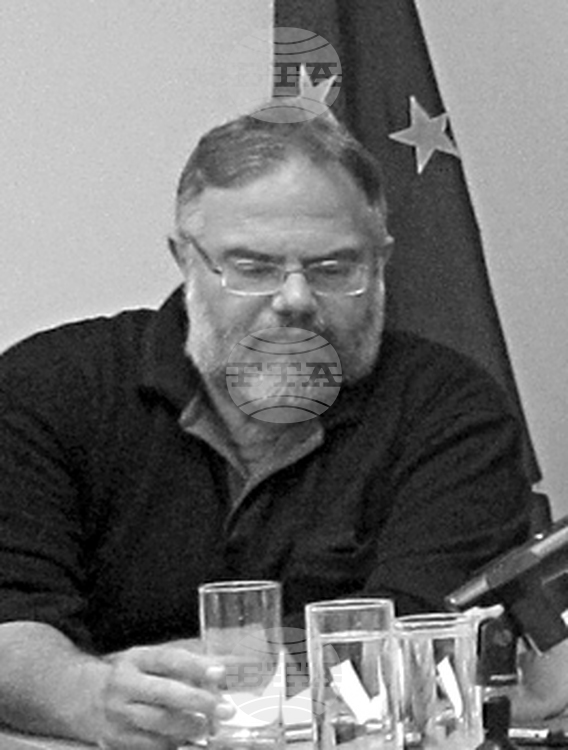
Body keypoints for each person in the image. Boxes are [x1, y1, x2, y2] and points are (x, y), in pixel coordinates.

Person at [0, 96, 533, 748]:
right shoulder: (49, 387)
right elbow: (10, 618)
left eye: (334, 268)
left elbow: (420, 646)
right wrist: (88, 695)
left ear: (381, 262)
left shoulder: (451, 409)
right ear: (185, 260)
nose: (296, 300)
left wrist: (209, 673)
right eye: (253, 268)